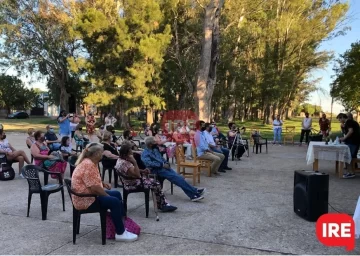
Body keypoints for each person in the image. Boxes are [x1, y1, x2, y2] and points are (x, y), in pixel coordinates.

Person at [71, 142, 138, 242]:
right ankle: (120, 233)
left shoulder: (90, 162)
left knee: (116, 194)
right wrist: (106, 195)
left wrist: (102, 183)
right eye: (101, 152)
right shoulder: (88, 165)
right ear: (96, 154)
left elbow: (90, 180)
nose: (103, 154)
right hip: (86, 199)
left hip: (89, 195)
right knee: (114, 201)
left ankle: (122, 223)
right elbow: (94, 188)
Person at [115, 143, 177, 212]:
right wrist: (134, 162)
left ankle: (162, 203)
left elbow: (131, 171)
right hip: (132, 183)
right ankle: (162, 205)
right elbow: (137, 175)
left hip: (129, 181)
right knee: (156, 183)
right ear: (126, 154)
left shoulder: (120, 160)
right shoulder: (125, 163)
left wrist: (142, 171)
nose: (132, 152)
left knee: (154, 180)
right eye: (130, 151)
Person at [141, 136, 205, 202]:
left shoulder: (155, 149)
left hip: (163, 168)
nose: (156, 143)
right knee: (177, 178)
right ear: (150, 144)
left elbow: (161, 158)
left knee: (179, 177)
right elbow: (149, 164)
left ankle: (194, 192)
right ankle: (193, 194)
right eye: (154, 142)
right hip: (155, 170)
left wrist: (166, 163)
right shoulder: (145, 153)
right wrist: (162, 165)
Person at [339, 113, 360, 179]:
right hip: (354, 142)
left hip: (353, 142)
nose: (339, 121)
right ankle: (350, 171)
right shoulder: (349, 123)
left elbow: (350, 131)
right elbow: (347, 132)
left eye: (339, 119)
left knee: (348, 156)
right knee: (349, 156)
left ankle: (350, 172)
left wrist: (344, 138)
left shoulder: (349, 122)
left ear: (342, 117)